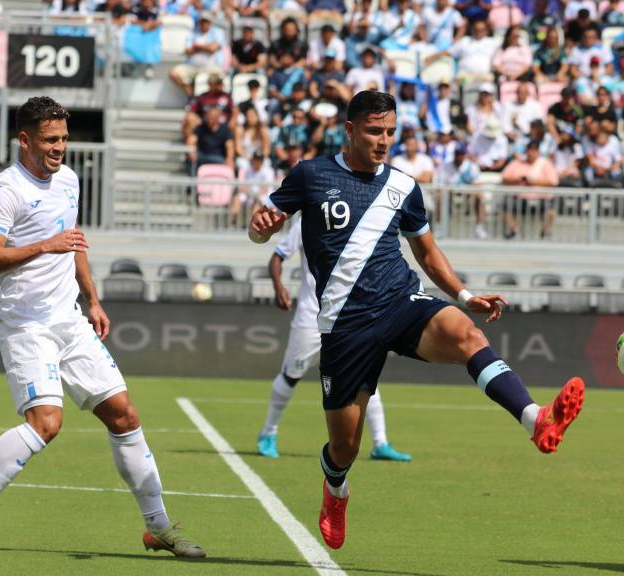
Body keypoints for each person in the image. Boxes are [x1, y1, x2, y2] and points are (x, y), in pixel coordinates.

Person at [248, 90, 585, 550]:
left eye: (390, 131)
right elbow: (259, 226)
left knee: (466, 334)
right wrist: (260, 229)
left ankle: (536, 420)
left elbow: (426, 252)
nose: (384, 140)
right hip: (345, 326)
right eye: (373, 131)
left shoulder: (404, 186)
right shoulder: (311, 174)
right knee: (344, 446)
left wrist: (464, 296)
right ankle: (335, 490)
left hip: (400, 300)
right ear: (349, 131)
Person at [0, 97, 204, 559]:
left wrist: (93, 297)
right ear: (24, 140)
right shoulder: (6, 189)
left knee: (124, 415)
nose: (60, 147)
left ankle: (157, 526)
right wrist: (46, 244)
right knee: (47, 423)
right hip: (27, 324)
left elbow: (74, 239)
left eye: (64, 137)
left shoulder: (68, 180)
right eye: (50, 139)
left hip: (69, 319)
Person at [258, 218, 413, 462]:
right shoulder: (304, 224)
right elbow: (277, 257)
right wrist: (279, 287)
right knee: (291, 375)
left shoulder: (358, 219)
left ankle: (380, 442)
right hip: (311, 317)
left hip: (350, 317)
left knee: (364, 377)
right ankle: (267, 433)